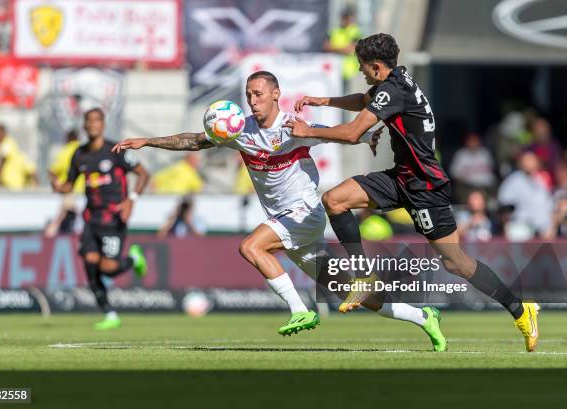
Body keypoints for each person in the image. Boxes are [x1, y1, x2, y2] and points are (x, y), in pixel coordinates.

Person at [112, 71, 447, 351]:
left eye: (258, 94)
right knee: (351, 292)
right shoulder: (239, 130)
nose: (252, 100)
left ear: (276, 95)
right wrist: (147, 141)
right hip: (286, 222)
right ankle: (423, 317)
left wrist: (364, 139)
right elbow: (192, 141)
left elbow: (333, 136)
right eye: (248, 95)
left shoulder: (293, 127)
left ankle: (300, 310)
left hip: (304, 213)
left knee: (250, 247)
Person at [289, 33, 539, 352]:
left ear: (377, 67)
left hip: (425, 188)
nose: (361, 72)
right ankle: (364, 278)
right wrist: (323, 101)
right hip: (400, 178)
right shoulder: (396, 78)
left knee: (456, 263)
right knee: (334, 200)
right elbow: (365, 101)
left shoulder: (393, 90)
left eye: (363, 68)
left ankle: (521, 310)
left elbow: (353, 134)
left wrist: (307, 130)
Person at [51, 108, 150, 330]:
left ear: (103, 125)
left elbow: (144, 173)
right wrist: (58, 186)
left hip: (113, 219)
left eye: (97, 121)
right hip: (90, 219)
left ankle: (134, 259)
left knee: (108, 268)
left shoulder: (116, 151)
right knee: (89, 264)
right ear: (84, 125)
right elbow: (69, 184)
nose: (93, 125)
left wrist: (131, 199)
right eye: (89, 121)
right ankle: (110, 313)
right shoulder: (79, 154)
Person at [497, 151, 553, 238]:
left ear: (537, 163)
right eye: (526, 160)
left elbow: (548, 205)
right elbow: (504, 207)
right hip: (522, 229)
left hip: (543, 230)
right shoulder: (512, 181)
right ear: (520, 163)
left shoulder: (541, 180)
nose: (529, 163)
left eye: (531, 160)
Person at [449, 132, 496, 202]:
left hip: (486, 186)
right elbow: (454, 174)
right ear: (467, 142)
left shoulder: (485, 153)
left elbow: (492, 170)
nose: (473, 143)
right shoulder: (461, 154)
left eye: (475, 141)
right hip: (469, 187)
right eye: (471, 141)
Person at [0, 124, 38, 190]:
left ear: (3, 133)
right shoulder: (12, 145)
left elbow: (2, 161)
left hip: (12, 184)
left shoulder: (6, 144)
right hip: (14, 183)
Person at [323, 6, 362, 83]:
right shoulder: (335, 31)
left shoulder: (355, 31)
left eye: (346, 17)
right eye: (343, 17)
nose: (344, 19)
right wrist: (342, 48)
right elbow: (325, 46)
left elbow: (350, 49)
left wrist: (333, 48)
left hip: (350, 72)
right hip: (334, 71)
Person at [49, 129, 85, 193]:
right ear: (78, 138)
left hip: (67, 193)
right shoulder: (84, 151)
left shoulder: (63, 152)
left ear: (67, 138)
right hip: (84, 192)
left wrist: (57, 184)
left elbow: (52, 171)